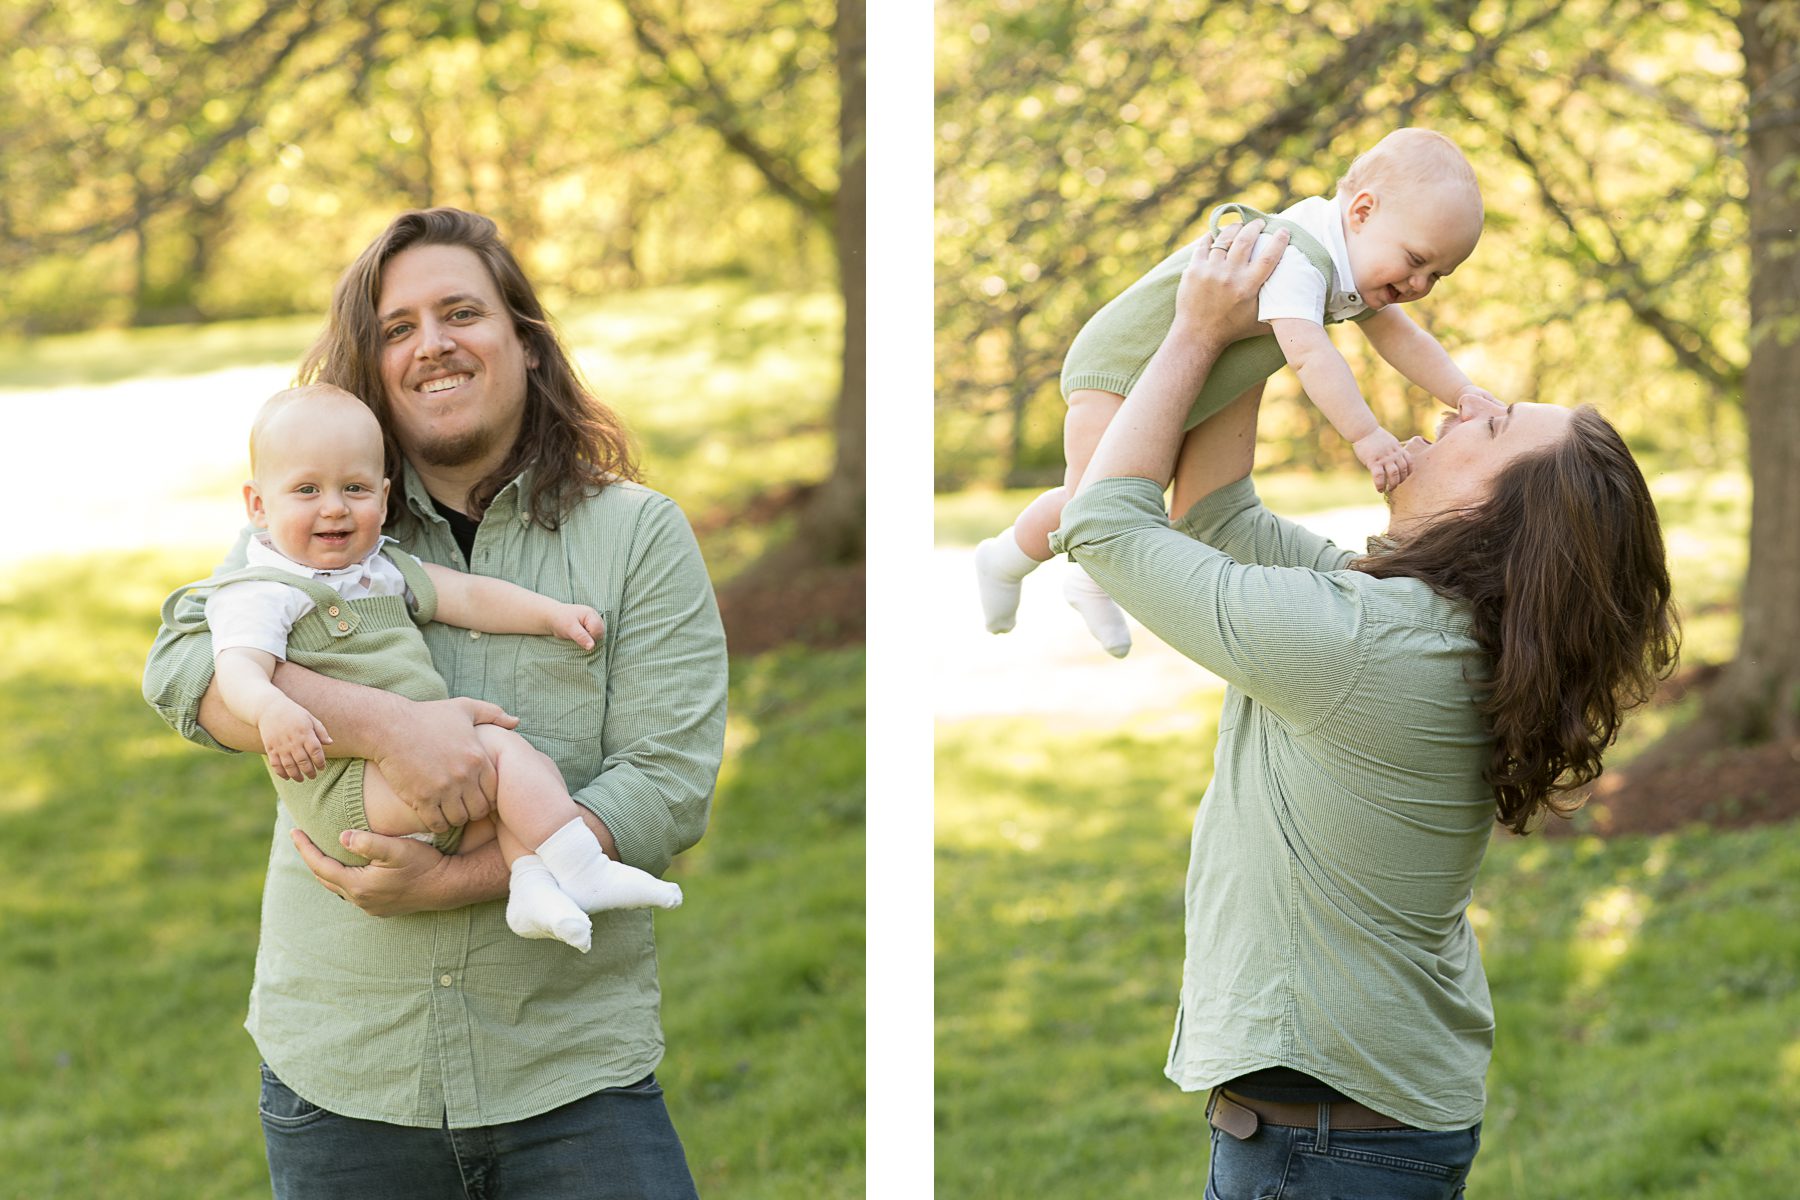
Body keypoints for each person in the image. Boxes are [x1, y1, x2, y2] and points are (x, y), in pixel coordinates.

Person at [1047, 219, 1677, 1197]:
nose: (1465, 407)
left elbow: (1103, 522)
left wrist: (1195, 333)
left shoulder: (1371, 646)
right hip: (1359, 1125)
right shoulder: (1422, 625)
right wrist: (1269, 309)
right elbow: (1216, 520)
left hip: (1324, 1148)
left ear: (1500, 518)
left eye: (1496, 426)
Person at [144, 208, 727, 1198]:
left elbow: (667, 784)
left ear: (525, 344)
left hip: (568, 1071)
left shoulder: (637, 534)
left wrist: (454, 883)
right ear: (371, 365)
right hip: (344, 1068)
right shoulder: (323, 516)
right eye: (398, 327)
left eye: (461, 312)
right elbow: (184, 668)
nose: (432, 345)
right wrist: (389, 729)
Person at [162, 382, 682, 955]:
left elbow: (466, 595)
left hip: (410, 782)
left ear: (383, 498)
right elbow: (235, 666)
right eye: (307, 489)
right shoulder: (262, 589)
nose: (334, 506)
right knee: (498, 751)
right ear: (258, 505)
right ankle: (583, 869)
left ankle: (534, 886)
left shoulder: (378, 568)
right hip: (346, 788)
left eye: (354, 488)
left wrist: (550, 615)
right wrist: (272, 710)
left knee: (514, 774)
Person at [976, 127, 1495, 658]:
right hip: (1119, 367)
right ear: (1362, 212)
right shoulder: (1295, 255)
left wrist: (1464, 392)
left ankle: (1079, 576)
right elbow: (1310, 355)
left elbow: (1404, 338)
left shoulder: (1354, 268)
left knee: (1122, 496)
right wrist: (1366, 435)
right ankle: (1010, 561)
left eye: (1438, 275)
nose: (1420, 285)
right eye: (1415, 260)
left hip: (1185, 383)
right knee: (1096, 497)